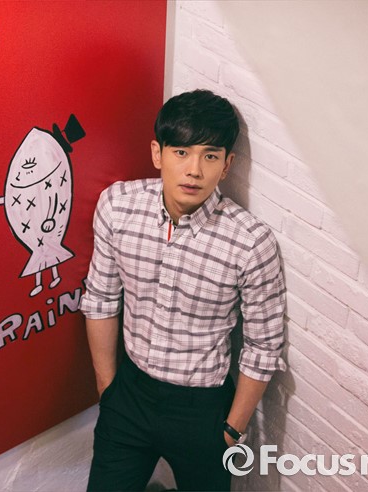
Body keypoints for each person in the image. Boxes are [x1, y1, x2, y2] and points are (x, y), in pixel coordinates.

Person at [79, 89, 286, 492]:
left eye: (210, 156)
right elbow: (101, 300)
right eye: (181, 152)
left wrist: (231, 430)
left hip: (202, 410)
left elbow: (262, 349)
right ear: (158, 154)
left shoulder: (250, 242)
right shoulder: (118, 206)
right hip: (129, 395)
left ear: (226, 166)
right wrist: (108, 393)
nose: (194, 170)